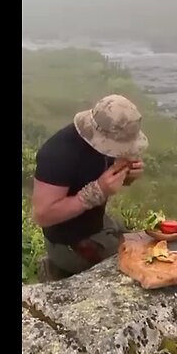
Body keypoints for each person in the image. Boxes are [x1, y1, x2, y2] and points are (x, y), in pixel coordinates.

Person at [31, 94, 148, 277]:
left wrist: (128, 174)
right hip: (69, 242)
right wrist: (97, 191)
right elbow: (42, 215)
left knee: (153, 247)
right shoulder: (57, 154)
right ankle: (56, 270)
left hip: (99, 224)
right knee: (138, 268)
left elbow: (104, 175)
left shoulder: (106, 142)